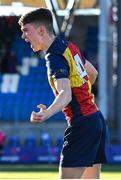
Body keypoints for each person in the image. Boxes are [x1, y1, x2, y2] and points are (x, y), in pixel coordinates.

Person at [18, 8, 107, 179]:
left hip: (82, 124)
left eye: (26, 31)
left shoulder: (55, 56)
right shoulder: (69, 47)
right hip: (96, 120)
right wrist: (83, 94)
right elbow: (93, 73)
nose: (23, 37)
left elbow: (66, 95)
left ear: (41, 30)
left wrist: (47, 113)